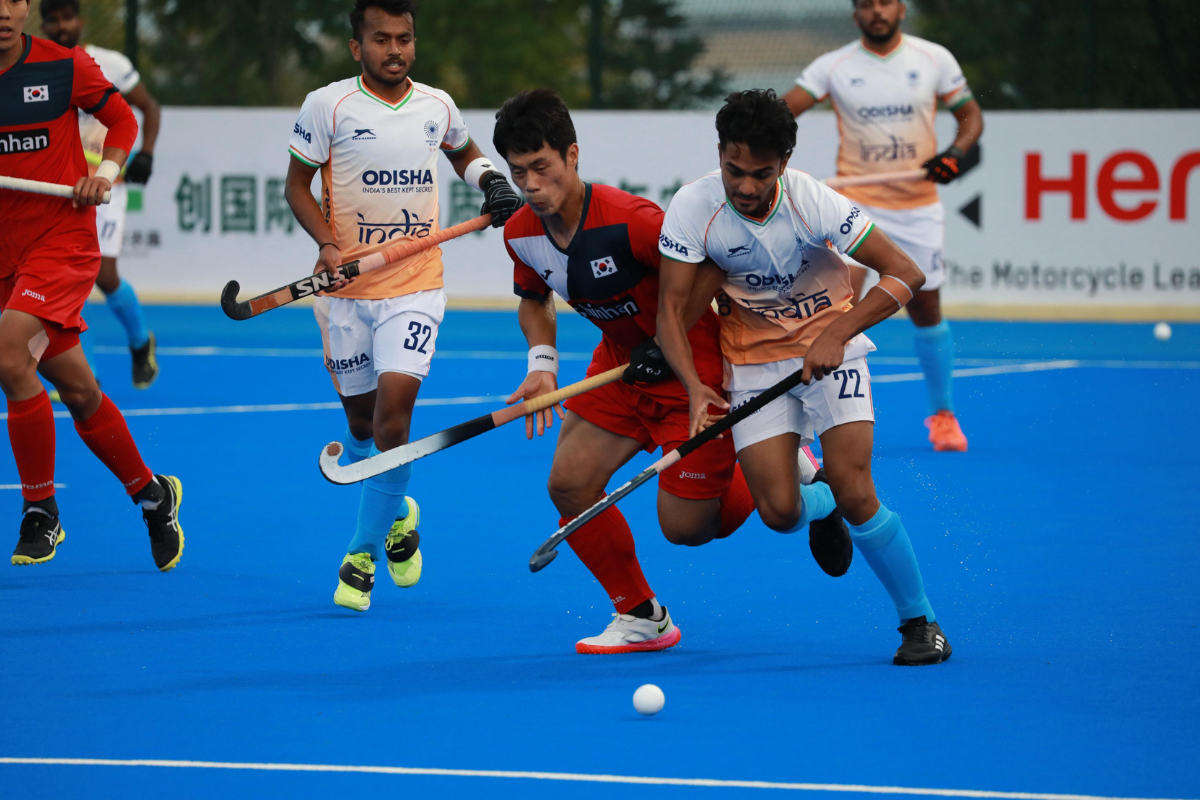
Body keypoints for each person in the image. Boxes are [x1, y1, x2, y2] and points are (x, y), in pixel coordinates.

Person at [495, 89, 849, 654]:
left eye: (542, 168)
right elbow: (533, 298)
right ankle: (641, 616)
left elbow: (710, 262)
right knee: (568, 483)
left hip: (695, 371)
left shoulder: (631, 220)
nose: (533, 185)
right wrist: (542, 365)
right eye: (519, 173)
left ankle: (795, 473)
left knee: (687, 531)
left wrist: (671, 335)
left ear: (573, 156)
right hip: (619, 365)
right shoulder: (521, 232)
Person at [655, 89, 951, 666]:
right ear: (720, 154)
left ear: (784, 163)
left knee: (856, 486)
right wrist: (694, 387)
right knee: (780, 513)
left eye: (761, 174)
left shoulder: (813, 202)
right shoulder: (694, 207)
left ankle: (920, 621)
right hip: (754, 365)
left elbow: (905, 273)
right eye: (733, 169)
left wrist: (836, 334)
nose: (744, 186)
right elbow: (671, 311)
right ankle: (824, 506)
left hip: (833, 353)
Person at [283, 0, 522, 612]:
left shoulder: (436, 105)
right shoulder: (327, 105)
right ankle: (398, 505)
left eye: (405, 39)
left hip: (415, 288)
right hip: (344, 295)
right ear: (356, 47)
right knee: (363, 429)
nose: (396, 49)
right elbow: (296, 185)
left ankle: (360, 555)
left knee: (394, 426)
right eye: (381, 38)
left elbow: (464, 152)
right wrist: (328, 244)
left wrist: (489, 179)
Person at [0, 0, 183, 570]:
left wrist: (103, 173)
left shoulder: (63, 66)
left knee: (9, 358)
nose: (2, 11)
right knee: (78, 390)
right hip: (5, 255)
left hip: (61, 241)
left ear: (25, 7)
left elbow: (124, 120)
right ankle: (153, 495)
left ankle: (42, 512)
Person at [782, 0, 983, 452]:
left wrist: (955, 153)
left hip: (918, 207)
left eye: (885, 3)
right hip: (854, 207)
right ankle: (809, 428)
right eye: (866, 4)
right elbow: (780, 115)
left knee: (926, 309)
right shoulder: (833, 67)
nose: (877, 11)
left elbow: (971, 117)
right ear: (855, 14)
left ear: (901, 9)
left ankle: (944, 415)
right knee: (831, 310)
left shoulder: (934, 59)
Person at [40, 0, 161, 389]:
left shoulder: (110, 63)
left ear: (80, 21)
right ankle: (81, 375)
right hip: (58, 190)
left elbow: (147, 108)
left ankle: (141, 341)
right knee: (66, 280)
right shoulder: (34, 69)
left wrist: (145, 153)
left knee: (105, 278)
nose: (62, 26)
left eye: (68, 17)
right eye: (54, 20)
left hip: (105, 186)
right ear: (42, 24)